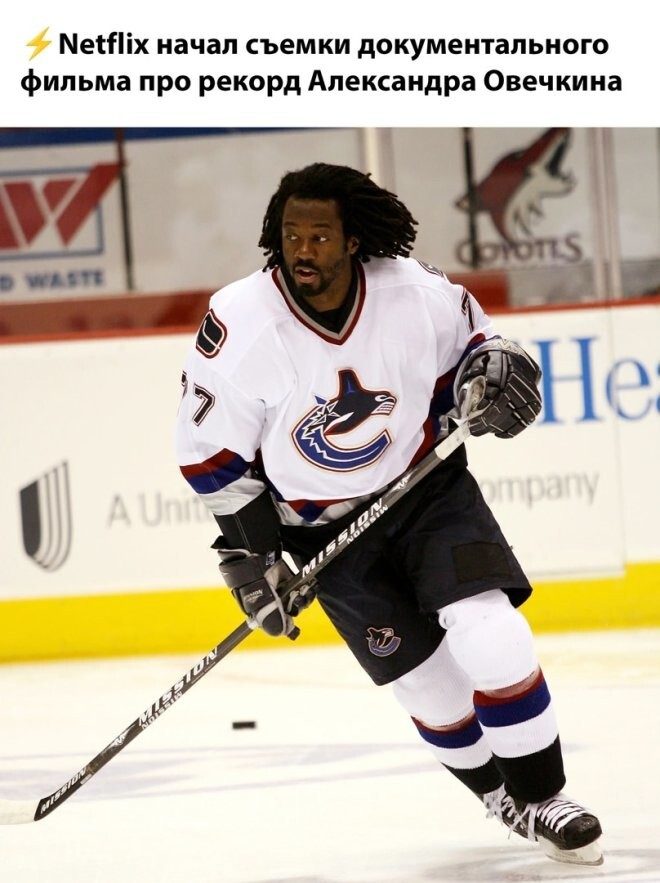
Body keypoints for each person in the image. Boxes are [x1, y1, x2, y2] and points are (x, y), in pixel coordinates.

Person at [175, 163, 602, 866]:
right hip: (323, 530)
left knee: (490, 631)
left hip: (426, 493)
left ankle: (544, 796)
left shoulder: (413, 292)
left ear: (353, 241)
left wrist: (494, 372)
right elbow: (209, 455)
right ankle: (501, 797)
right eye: (290, 234)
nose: (302, 250)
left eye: (319, 236)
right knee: (428, 686)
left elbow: (478, 348)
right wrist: (254, 554)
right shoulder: (243, 321)